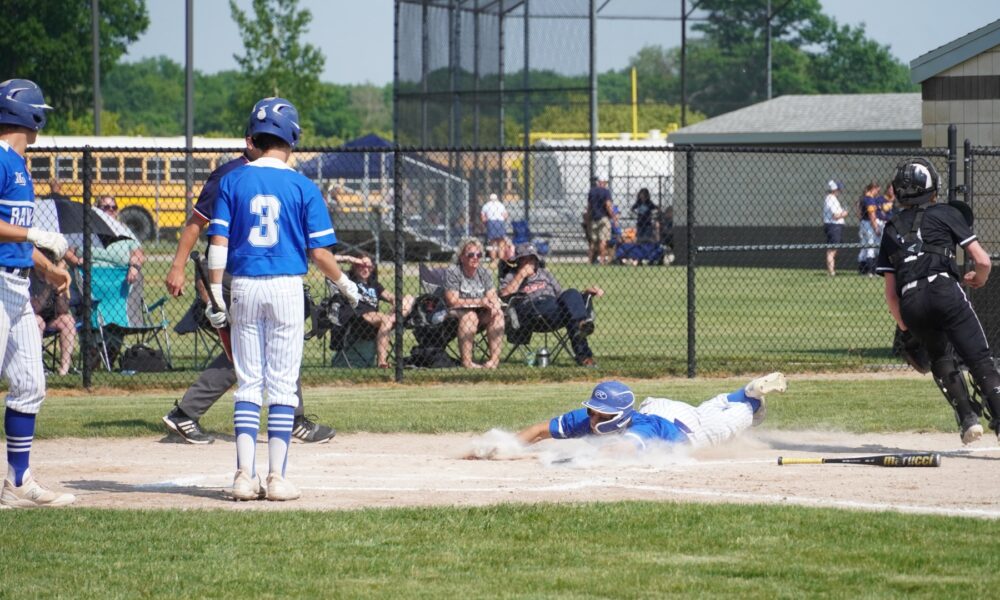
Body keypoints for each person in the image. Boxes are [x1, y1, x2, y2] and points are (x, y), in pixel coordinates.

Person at [205, 96, 360, 502]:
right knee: (282, 385)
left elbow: (217, 242)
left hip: (243, 285)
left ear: (254, 136)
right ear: (291, 138)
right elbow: (321, 255)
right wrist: (346, 285)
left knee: (249, 383)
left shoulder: (233, 180)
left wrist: (216, 293)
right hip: (287, 287)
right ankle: (276, 478)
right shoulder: (302, 185)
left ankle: (243, 476)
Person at [161, 120, 336, 446]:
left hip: (257, 274)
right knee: (246, 352)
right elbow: (197, 223)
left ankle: (188, 414)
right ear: (251, 141)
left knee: (267, 347)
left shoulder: (272, 175)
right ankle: (187, 413)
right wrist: (178, 266)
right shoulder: (232, 175)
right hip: (231, 274)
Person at [877, 158, 1000, 445]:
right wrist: (979, 278)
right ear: (932, 188)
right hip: (944, 290)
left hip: (911, 301)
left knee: (940, 358)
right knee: (979, 359)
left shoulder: (891, 227)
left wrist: (906, 327)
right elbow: (982, 260)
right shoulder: (945, 213)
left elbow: (891, 294)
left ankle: (968, 418)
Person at [0, 78, 76, 508]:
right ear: (31, 115)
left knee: (30, 383)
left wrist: (46, 268)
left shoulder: (18, 166)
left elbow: (16, 241)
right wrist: (38, 232)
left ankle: (17, 482)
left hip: (16, 284)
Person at [471, 373, 786, 457]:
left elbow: (624, 448)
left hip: (690, 428)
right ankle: (740, 395)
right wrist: (509, 446)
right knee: (710, 405)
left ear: (616, 417)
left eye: (599, 412)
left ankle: (751, 398)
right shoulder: (590, 418)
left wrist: (575, 459)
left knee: (738, 416)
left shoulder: (643, 430)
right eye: (593, 410)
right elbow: (540, 430)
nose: (592, 417)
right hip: (658, 406)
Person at [498, 242, 603, 367]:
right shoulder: (512, 275)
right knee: (568, 313)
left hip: (553, 309)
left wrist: (584, 293)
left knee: (572, 293)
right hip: (532, 312)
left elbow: (561, 294)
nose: (531, 262)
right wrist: (521, 274)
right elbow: (503, 295)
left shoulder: (544, 273)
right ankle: (584, 354)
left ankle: (582, 328)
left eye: (533, 258)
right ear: (519, 261)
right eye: (527, 258)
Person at [342, 253, 414, 369]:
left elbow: (391, 297)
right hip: (359, 319)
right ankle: (382, 362)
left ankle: (392, 319)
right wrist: (349, 258)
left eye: (369, 267)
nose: (366, 269)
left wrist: (396, 302)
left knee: (409, 298)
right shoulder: (348, 281)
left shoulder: (374, 284)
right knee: (385, 319)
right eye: (362, 265)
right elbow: (328, 260)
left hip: (378, 321)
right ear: (355, 266)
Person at [443, 237, 504, 369]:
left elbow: (492, 295)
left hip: (480, 311)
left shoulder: (484, 273)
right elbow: (452, 300)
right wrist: (480, 301)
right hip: (455, 312)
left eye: (479, 254)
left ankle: (494, 361)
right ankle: (467, 362)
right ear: (462, 257)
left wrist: (494, 305)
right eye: (471, 255)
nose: (475, 257)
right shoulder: (454, 272)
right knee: (470, 316)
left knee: (497, 315)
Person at [31, 250, 77, 375]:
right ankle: (38, 368)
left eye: (52, 259)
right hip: (31, 318)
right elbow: (35, 308)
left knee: (68, 320)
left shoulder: (58, 276)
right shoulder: (30, 275)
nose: (50, 261)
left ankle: (64, 370)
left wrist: (58, 288)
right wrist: (48, 286)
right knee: (38, 321)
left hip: (51, 318)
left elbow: (63, 309)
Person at [587, 172, 617, 265]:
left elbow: (589, 207)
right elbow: (608, 205)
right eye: (605, 182)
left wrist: (588, 219)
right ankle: (602, 260)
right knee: (603, 240)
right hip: (603, 218)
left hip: (594, 218)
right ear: (602, 182)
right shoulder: (605, 192)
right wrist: (614, 217)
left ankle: (590, 260)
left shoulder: (591, 191)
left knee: (593, 241)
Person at [822, 179, 848, 276]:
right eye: (838, 189)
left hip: (835, 226)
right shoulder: (831, 199)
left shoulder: (832, 198)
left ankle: (831, 269)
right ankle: (831, 271)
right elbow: (835, 215)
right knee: (832, 249)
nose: (840, 191)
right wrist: (844, 213)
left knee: (834, 248)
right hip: (833, 226)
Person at [857, 182, 882, 276]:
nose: (877, 193)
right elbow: (872, 215)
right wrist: (876, 228)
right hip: (869, 224)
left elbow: (858, 213)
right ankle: (871, 271)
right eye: (877, 190)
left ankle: (862, 270)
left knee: (864, 247)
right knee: (871, 246)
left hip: (863, 223)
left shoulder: (862, 198)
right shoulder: (870, 199)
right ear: (873, 189)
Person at [480, 192, 508, 263]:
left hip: (491, 222)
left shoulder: (486, 205)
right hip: (500, 222)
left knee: (492, 243)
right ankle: (501, 261)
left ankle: (493, 260)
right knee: (501, 242)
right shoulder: (500, 205)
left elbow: (483, 217)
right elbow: (505, 215)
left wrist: (486, 224)